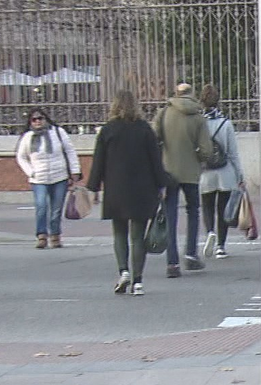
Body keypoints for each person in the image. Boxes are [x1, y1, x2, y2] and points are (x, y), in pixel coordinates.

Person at [87, 89, 167, 296]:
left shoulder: (107, 130)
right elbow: (156, 161)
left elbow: (98, 162)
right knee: (138, 236)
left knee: (119, 232)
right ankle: (138, 281)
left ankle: (123, 271)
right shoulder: (144, 130)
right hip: (142, 189)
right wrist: (162, 185)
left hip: (116, 188)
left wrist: (94, 187)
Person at [152, 82, 214, 278]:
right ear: (191, 94)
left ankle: (172, 263)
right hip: (191, 173)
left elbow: (154, 137)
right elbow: (206, 150)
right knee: (193, 210)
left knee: (170, 213)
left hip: (168, 170)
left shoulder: (164, 112)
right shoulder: (198, 116)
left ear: (175, 93)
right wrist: (199, 158)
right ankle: (191, 254)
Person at [15, 108, 81, 249]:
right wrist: (31, 172)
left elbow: (70, 151)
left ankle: (55, 235)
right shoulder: (27, 137)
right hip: (39, 178)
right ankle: (41, 235)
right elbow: (21, 157)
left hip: (60, 176)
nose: (38, 121)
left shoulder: (58, 132)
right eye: (34, 119)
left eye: (40, 118)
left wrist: (75, 171)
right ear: (30, 122)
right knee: (41, 206)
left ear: (46, 119)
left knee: (56, 209)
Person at [197, 83, 245, 260]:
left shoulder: (198, 123)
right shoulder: (226, 124)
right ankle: (221, 246)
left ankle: (210, 231)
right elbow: (233, 153)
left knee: (207, 206)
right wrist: (240, 175)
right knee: (223, 210)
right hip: (225, 172)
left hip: (205, 172)